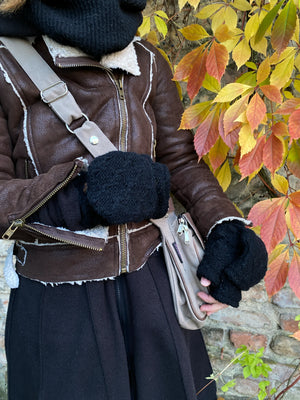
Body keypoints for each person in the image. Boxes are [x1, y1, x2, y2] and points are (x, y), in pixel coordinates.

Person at [0, 0, 268, 399]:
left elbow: (177, 157)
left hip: (154, 290)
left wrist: (222, 223)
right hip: (57, 302)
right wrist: (82, 196)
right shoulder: (5, 64)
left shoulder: (145, 59)